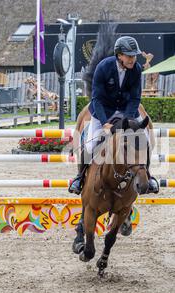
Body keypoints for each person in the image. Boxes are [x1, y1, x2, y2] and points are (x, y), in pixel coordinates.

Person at [68, 36, 160, 195]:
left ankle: (149, 176)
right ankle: (79, 178)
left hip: (127, 111)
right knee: (90, 145)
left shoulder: (136, 69)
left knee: (144, 139)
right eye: (129, 56)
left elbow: (135, 98)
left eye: (134, 56)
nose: (133, 59)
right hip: (103, 111)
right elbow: (96, 99)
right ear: (119, 55)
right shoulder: (103, 68)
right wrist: (104, 123)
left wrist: (129, 120)